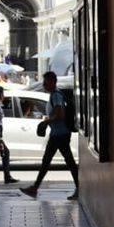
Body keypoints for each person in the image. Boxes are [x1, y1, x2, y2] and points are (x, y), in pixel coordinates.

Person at [20, 71, 79, 200]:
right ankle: (35, 187)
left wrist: (46, 121)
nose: (44, 85)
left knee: (62, 161)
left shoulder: (56, 96)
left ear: (53, 82)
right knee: (51, 161)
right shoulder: (54, 95)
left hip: (60, 135)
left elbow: (60, 114)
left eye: (46, 82)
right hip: (58, 134)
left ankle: (35, 188)